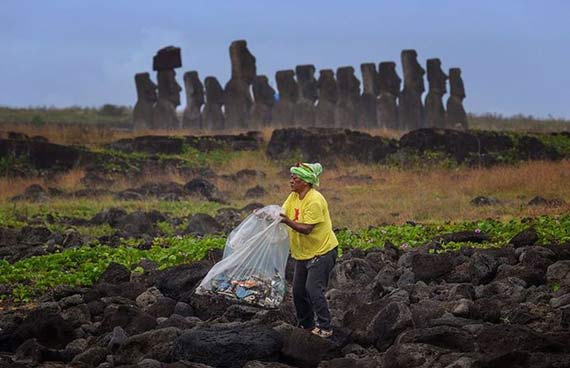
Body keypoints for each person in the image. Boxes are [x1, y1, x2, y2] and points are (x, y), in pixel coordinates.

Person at [280, 162, 338, 338]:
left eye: (295, 178)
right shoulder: (293, 197)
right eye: (291, 177)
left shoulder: (315, 200)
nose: (291, 181)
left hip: (322, 251)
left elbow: (306, 229)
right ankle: (306, 325)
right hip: (303, 253)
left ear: (305, 182)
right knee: (298, 291)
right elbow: (282, 212)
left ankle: (325, 327)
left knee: (313, 289)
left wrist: (286, 221)